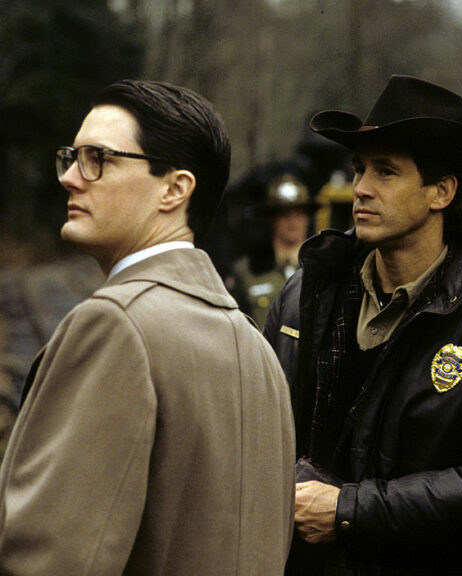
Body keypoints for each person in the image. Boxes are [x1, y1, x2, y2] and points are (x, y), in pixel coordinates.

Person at [0, 79, 296, 575]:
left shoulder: (114, 325)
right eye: (71, 157)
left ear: (175, 189)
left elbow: (52, 560)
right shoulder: (256, 348)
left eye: (99, 159)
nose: (71, 177)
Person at [262, 74, 462, 576]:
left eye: (386, 172)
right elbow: (257, 422)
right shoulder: (305, 293)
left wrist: (347, 510)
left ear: (441, 191)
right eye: (359, 169)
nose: (361, 189)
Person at [230, 169, 315, 327]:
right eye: (284, 214)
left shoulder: (323, 268)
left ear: (307, 218)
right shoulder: (246, 271)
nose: (292, 221)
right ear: (272, 219)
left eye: (299, 213)